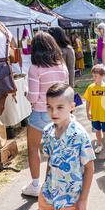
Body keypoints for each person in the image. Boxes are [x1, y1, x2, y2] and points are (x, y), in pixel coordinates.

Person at [39, 83, 95, 210]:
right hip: (50, 194)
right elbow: (50, 161)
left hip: (72, 198)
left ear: (72, 106)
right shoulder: (48, 131)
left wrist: (83, 200)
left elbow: (90, 168)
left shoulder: (79, 135)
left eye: (59, 107)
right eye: (49, 107)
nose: (53, 112)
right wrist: (45, 184)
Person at [22, 32, 69, 198]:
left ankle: (35, 185)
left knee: (34, 149)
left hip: (41, 112)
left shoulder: (35, 69)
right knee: (54, 150)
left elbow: (33, 97)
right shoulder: (62, 66)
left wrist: (26, 93)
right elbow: (66, 90)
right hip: (59, 114)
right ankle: (51, 184)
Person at [83, 64, 105, 161]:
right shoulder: (90, 88)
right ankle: (99, 145)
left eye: (95, 76)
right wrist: (87, 112)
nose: (93, 78)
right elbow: (87, 101)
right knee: (97, 131)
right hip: (95, 114)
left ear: (102, 76)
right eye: (93, 76)